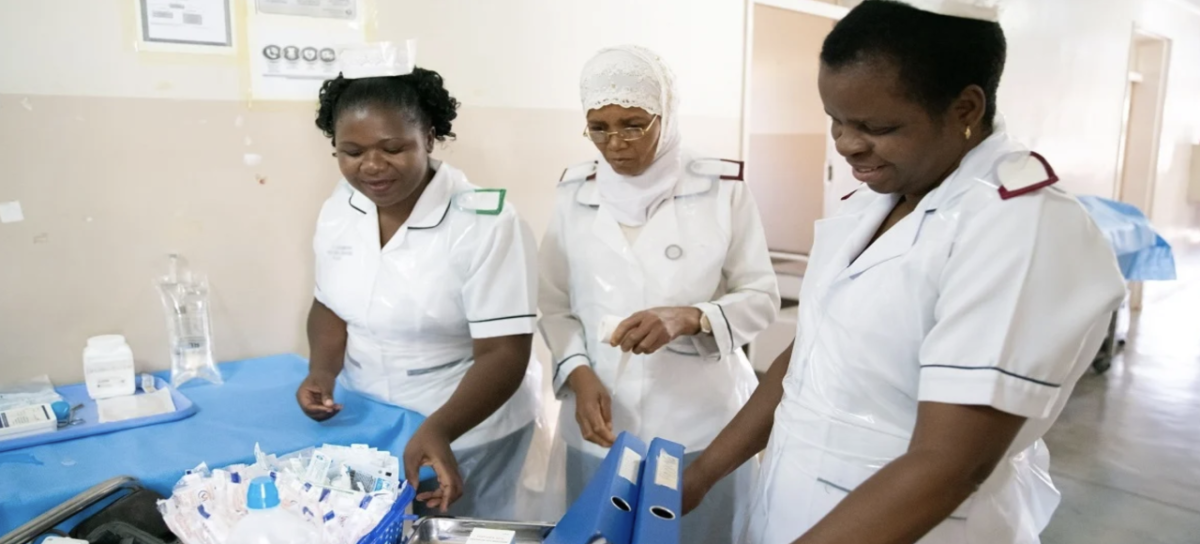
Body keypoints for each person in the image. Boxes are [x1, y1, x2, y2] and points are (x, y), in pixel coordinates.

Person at [680, 2, 1127, 543]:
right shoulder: (869, 205)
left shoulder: (1020, 227)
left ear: (965, 107)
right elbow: (807, 362)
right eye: (836, 122)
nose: (846, 144)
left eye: (876, 126)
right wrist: (700, 475)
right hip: (794, 507)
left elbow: (948, 464)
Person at [539, 45, 780, 544]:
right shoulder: (573, 194)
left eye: (633, 123)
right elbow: (555, 305)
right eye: (598, 126)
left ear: (665, 115)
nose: (615, 143)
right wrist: (578, 375)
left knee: (700, 534)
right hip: (601, 419)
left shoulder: (721, 190)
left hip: (700, 420)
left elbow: (761, 295)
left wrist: (692, 317)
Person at [296, 51, 541, 520]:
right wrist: (321, 372)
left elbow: (505, 353)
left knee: (463, 529)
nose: (371, 166)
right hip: (371, 418)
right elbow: (329, 303)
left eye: (392, 148)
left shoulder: (486, 222)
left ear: (428, 137)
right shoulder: (340, 208)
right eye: (351, 152)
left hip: (469, 428)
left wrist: (441, 428)